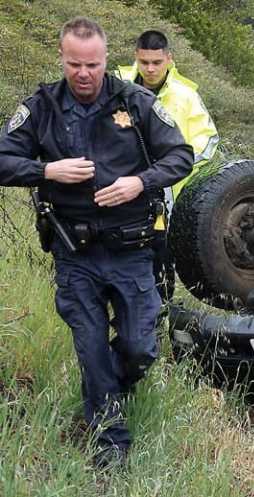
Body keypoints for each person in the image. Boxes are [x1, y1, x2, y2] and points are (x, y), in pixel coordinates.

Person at [0, 17, 193, 468]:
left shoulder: (135, 101)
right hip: (76, 253)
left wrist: (139, 183)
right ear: (62, 60)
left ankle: (105, 390)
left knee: (139, 348)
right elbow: (3, 159)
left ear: (107, 60)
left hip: (130, 249)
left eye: (92, 64)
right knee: (90, 348)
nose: (83, 74)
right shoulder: (41, 107)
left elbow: (180, 156)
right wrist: (46, 171)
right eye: (74, 65)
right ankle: (110, 444)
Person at [116, 30, 219, 300]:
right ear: (136, 57)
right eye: (144, 62)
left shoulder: (186, 96)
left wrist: (174, 167)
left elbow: (207, 141)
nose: (150, 69)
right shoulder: (115, 86)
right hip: (117, 192)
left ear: (169, 59)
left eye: (157, 62)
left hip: (163, 197)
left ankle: (158, 324)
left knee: (160, 264)